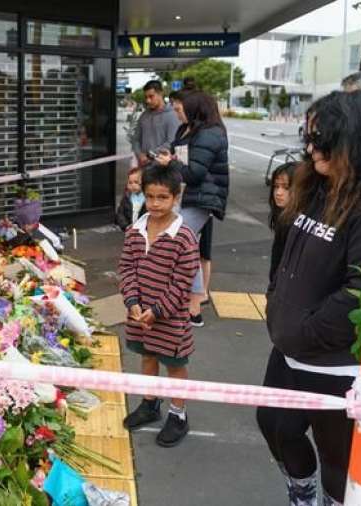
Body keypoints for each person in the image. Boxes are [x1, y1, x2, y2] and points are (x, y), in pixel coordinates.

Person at [257, 91, 361, 506]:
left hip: (333, 361)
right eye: (309, 138)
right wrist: (276, 299)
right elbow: (284, 254)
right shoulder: (315, 186)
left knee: (338, 457)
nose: (311, 149)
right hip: (290, 347)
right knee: (275, 425)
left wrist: (307, 330)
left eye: (323, 141)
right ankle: (302, 490)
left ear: (356, 142)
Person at [118, 165, 200, 447]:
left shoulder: (184, 237)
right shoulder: (134, 231)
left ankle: (178, 414)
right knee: (147, 356)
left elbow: (182, 282)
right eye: (150, 196)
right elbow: (126, 269)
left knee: (175, 365)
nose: (154, 203)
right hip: (140, 315)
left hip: (169, 320)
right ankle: (150, 403)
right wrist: (132, 302)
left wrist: (158, 311)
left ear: (176, 197)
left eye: (162, 197)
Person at [154, 91, 229, 326]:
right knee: (188, 246)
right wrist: (169, 157)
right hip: (185, 196)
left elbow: (194, 172)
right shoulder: (187, 129)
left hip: (202, 198)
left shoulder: (210, 133)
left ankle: (194, 305)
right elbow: (183, 160)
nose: (176, 113)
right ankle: (190, 304)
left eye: (179, 109)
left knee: (179, 239)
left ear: (195, 109)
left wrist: (171, 163)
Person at [131, 80, 182, 168]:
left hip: (162, 169)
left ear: (161, 94)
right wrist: (140, 155)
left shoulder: (172, 115)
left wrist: (149, 155)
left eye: (151, 96)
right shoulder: (144, 115)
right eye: (146, 97)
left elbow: (172, 142)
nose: (148, 100)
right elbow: (136, 139)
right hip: (144, 166)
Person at [267, 162, 296, 281]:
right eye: (276, 186)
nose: (278, 193)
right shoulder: (281, 216)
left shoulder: (296, 223)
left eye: (286, 187)